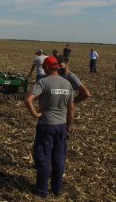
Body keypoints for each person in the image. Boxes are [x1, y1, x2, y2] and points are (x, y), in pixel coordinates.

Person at [24, 56, 75, 198]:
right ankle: (57, 190)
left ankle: (42, 191)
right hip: (61, 126)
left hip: (46, 126)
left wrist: (35, 114)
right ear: (57, 67)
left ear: (46, 67)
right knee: (59, 158)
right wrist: (69, 126)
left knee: (43, 157)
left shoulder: (43, 82)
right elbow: (71, 109)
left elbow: (28, 99)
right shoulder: (67, 84)